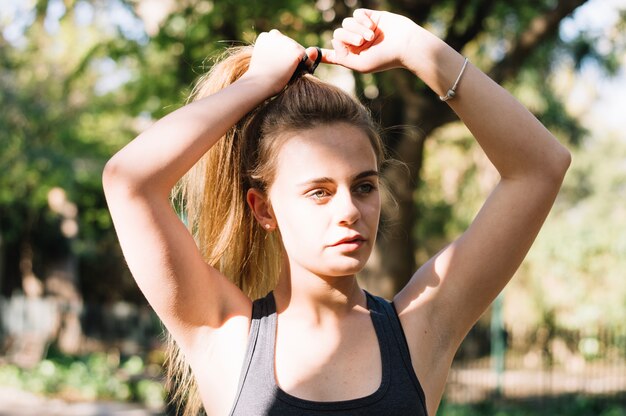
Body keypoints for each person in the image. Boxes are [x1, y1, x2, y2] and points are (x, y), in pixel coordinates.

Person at [103, 8, 570, 416]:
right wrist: (258, 84)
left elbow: (541, 168)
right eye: (319, 192)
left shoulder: (421, 328)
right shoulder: (224, 334)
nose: (349, 210)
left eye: (364, 186)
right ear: (263, 209)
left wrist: (415, 45)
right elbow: (129, 181)